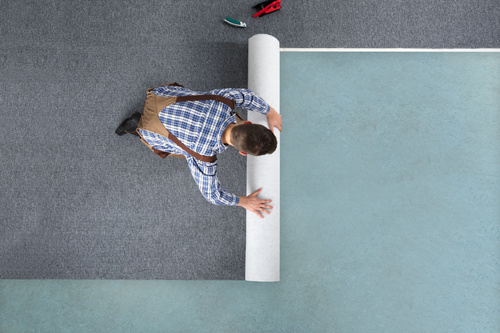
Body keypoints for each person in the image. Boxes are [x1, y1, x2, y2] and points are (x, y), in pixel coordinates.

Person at [115, 84, 282, 218]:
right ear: (242, 153)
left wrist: (270, 111)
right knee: (185, 152)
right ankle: (135, 126)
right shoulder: (203, 157)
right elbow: (213, 196)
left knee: (191, 108)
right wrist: (244, 202)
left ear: (247, 124)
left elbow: (247, 96)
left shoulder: (223, 101)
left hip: (160, 96)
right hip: (149, 129)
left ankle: (141, 121)